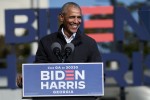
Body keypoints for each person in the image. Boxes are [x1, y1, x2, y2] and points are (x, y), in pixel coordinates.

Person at [17, 2, 102, 100]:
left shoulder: (89, 43)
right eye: (72, 17)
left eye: (79, 17)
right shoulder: (46, 42)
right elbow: (38, 73)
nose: (76, 21)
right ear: (61, 17)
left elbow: (98, 77)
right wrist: (26, 80)